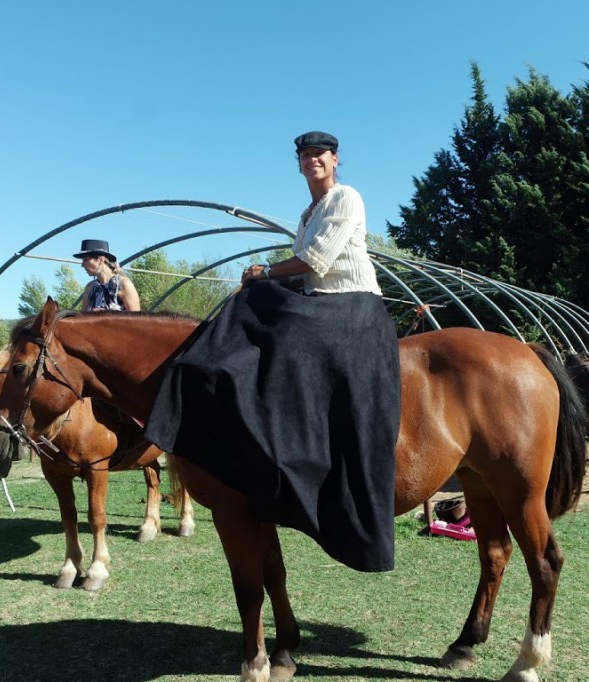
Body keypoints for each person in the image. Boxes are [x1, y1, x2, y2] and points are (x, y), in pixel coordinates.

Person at [145, 131, 401, 573]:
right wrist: (265, 280)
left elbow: (319, 261)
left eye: (319, 154)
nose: (312, 161)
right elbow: (305, 275)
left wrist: (266, 272)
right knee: (253, 310)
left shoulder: (346, 198)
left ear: (335, 160)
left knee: (264, 312)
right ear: (299, 164)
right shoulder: (308, 213)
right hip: (323, 304)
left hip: (354, 307)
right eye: (305, 156)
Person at [74, 240, 141, 312]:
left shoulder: (124, 284)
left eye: (86, 259)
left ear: (100, 260)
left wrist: (106, 317)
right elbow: (83, 318)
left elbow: (137, 321)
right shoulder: (90, 287)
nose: (82, 265)